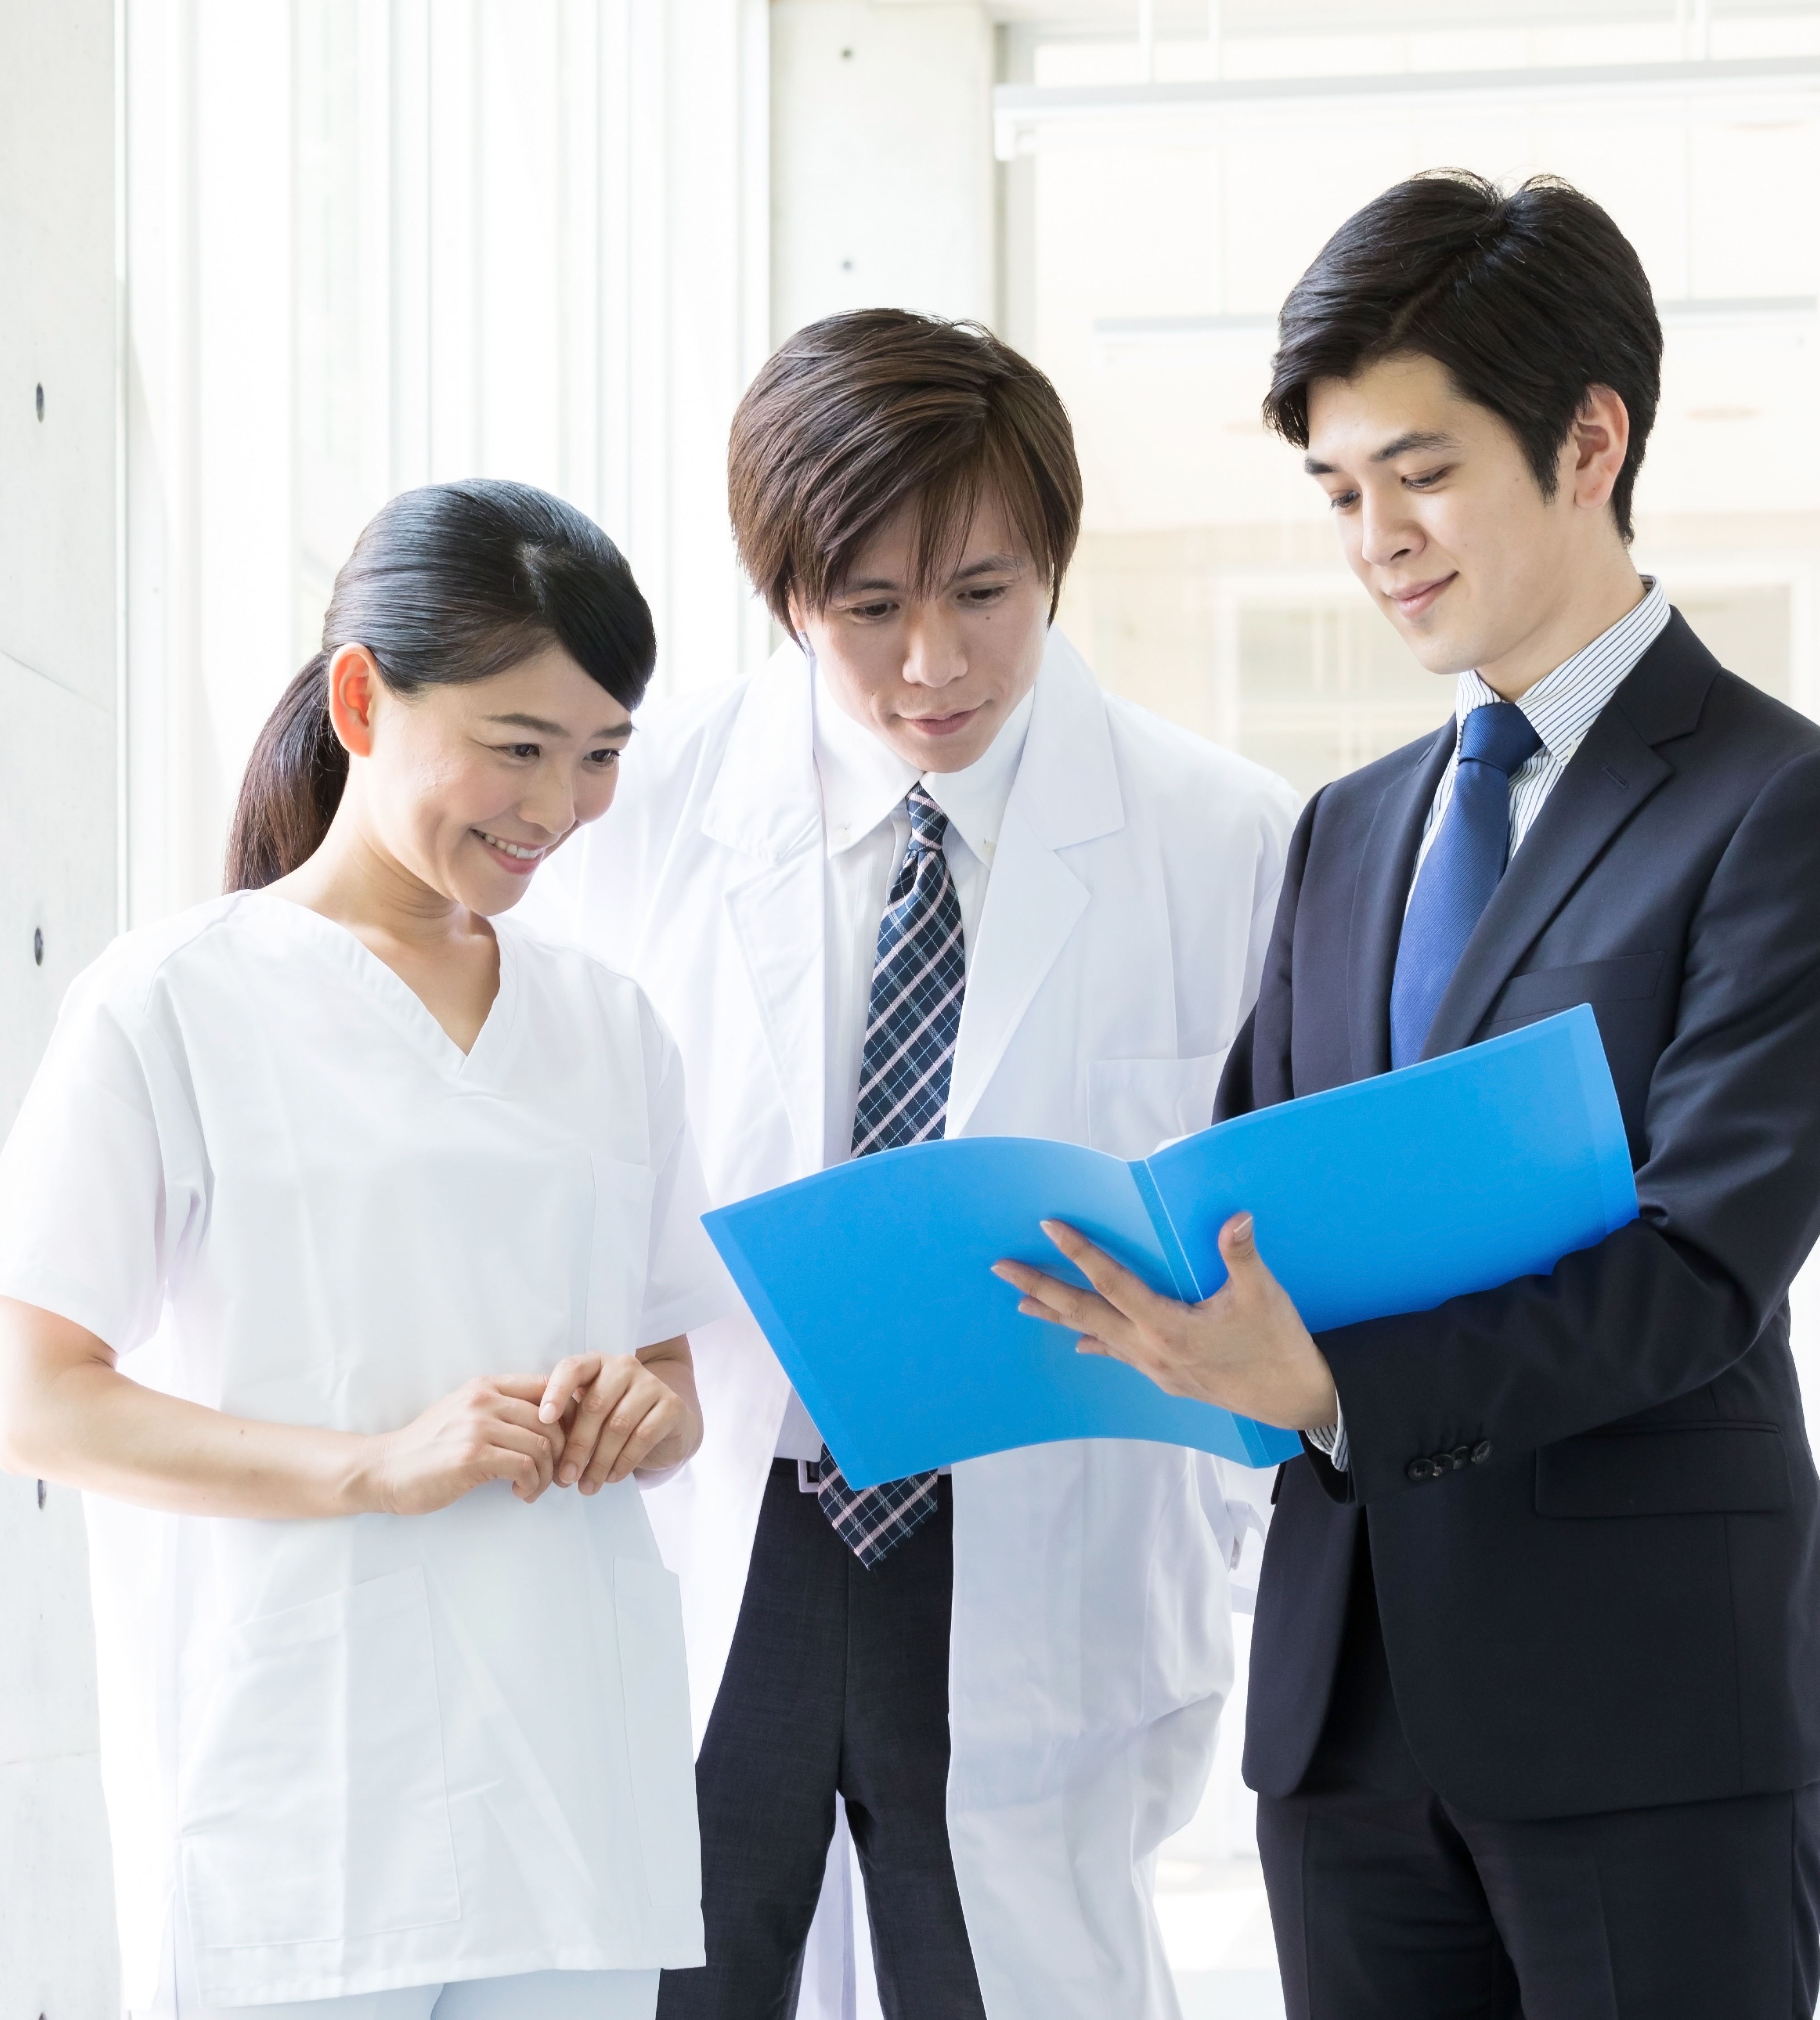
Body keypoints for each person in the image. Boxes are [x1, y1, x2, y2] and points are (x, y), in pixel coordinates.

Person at [997, 173, 1820, 2018]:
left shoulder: (1790, 810)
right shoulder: (1346, 829)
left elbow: (1701, 1268)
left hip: (1647, 1724)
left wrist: (1334, 1378)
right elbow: (1256, 1196)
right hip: (1345, 1730)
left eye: (1421, 474)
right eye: (1340, 494)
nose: (1378, 539)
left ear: (1592, 437)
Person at [530, 310, 1297, 2017]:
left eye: (985, 593)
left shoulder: (1226, 838)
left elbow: (1274, 1231)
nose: (934, 662)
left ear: (1055, 570)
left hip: (1038, 1536)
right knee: (693, 1973)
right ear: (789, 595)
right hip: (742, 1511)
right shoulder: (640, 817)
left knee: (997, 1970)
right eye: (869, 609)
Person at [0, 480, 739, 2020]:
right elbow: (40, 1402)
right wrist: (373, 1466)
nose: (559, 806)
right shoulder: (173, 1001)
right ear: (363, 699)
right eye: (518, 748)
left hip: (571, 1787)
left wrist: (655, 1410)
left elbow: (670, 1360)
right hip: (306, 1788)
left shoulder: (608, 1024)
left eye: (597, 758)